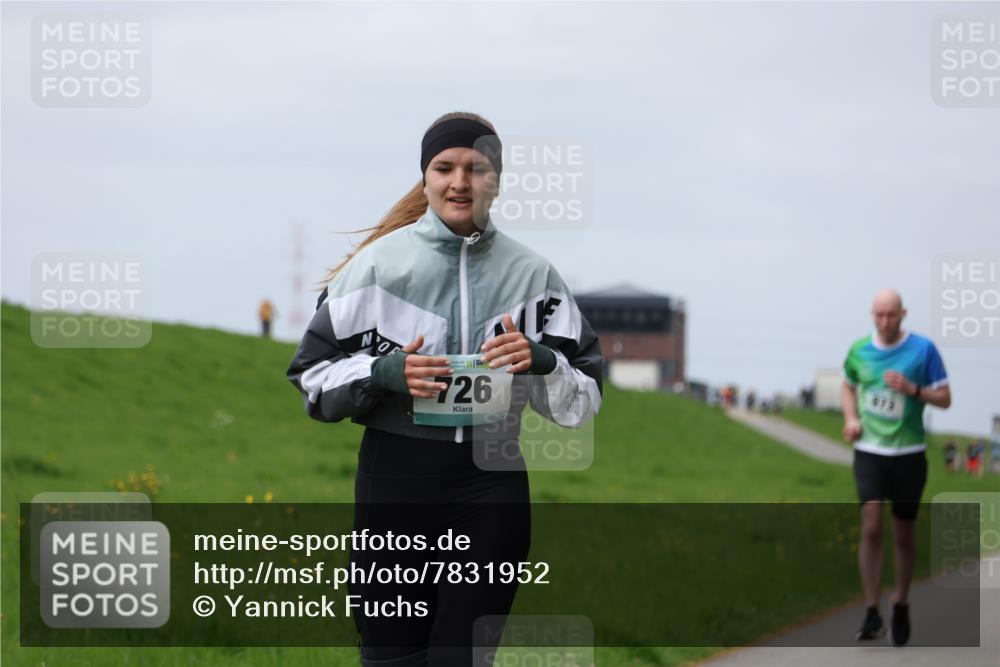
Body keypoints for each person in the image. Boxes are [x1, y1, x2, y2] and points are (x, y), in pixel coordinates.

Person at [286, 112, 604, 666]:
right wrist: (384, 374)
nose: (460, 181)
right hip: (395, 486)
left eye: (476, 168)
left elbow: (585, 400)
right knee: (392, 660)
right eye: (445, 167)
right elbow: (312, 377)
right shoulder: (377, 269)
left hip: (491, 489)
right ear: (426, 177)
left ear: (497, 181)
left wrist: (542, 360)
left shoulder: (536, 278)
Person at [841, 289, 951, 646]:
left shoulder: (923, 350)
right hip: (870, 450)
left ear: (903, 314)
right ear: (871, 315)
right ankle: (872, 610)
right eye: (879, 315)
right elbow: (847, 384)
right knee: (871, 525)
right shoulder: (860, 350)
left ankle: (900, 601)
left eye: (891, 315)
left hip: (909, 453)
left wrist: (913, 389)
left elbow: (946, 398)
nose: (885, 322)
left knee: (903, 533)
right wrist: (851, 418)